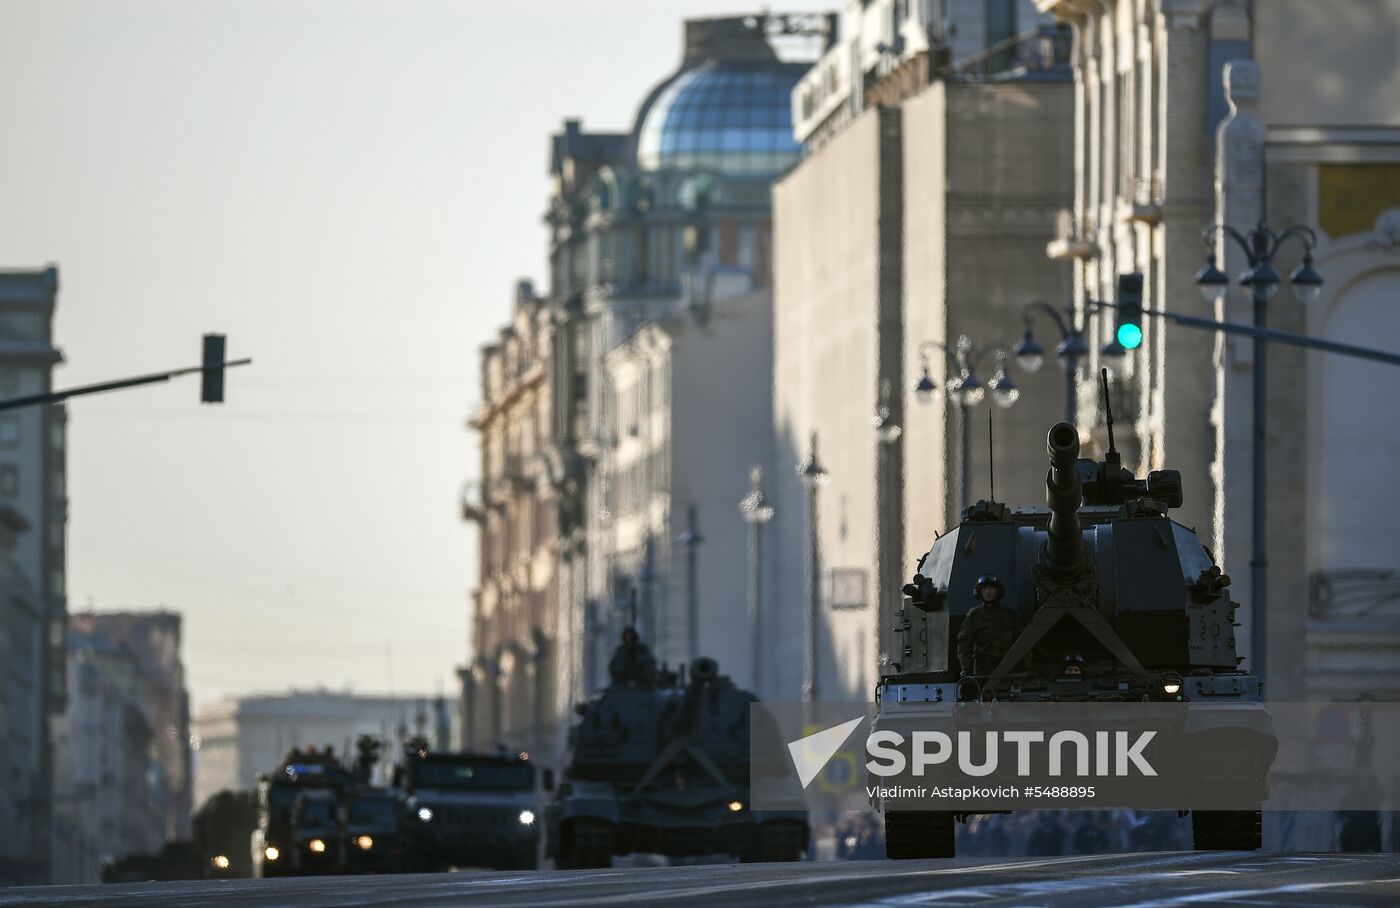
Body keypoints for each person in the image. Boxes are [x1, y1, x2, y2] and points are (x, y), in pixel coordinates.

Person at [956, 575, 1021, 677]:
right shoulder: (974, 615)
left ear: (997, 591)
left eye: (991, 588)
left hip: (1007, 668)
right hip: (982, 670)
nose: (988, 592)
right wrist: (965, 668)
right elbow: (964, 643)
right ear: (980, 592)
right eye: (985, 588)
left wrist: (1026, 666)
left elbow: (1021, 641)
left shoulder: (1009, 615)